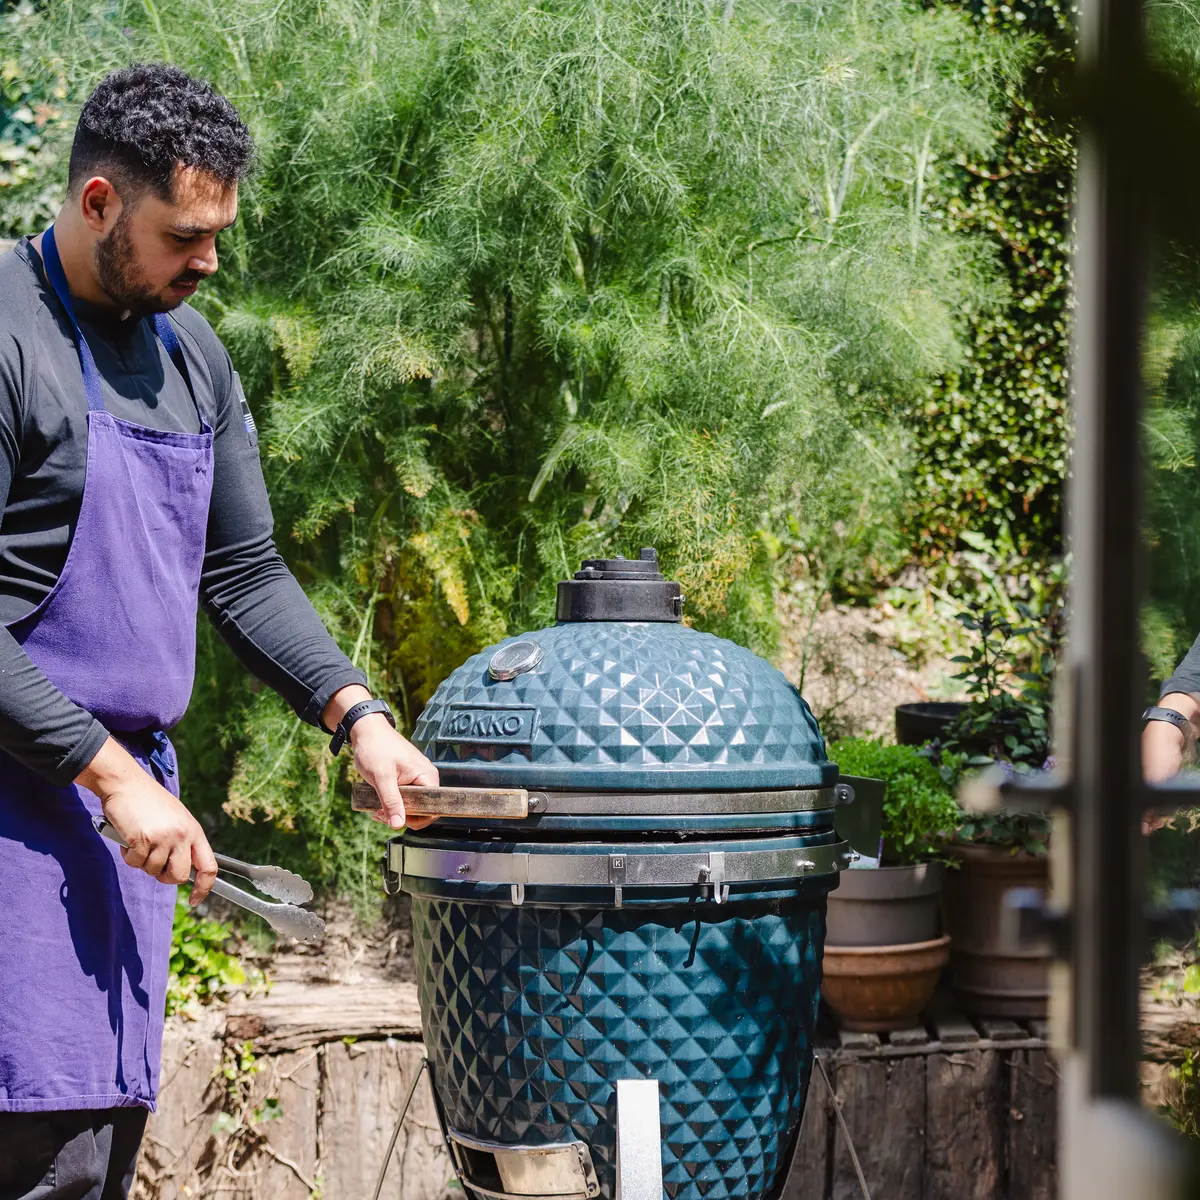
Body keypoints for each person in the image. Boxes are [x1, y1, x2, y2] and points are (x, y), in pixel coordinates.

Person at [0, 64, 438, 1198]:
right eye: (182, 235)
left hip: (115, 825)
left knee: (94, 1155)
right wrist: (105, 774)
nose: (207, 262)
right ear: (98, 202)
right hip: (15, 814)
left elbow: (242, 573)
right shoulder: (8, 338)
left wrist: (358, 714)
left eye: (217, 235)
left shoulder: (194, 358)